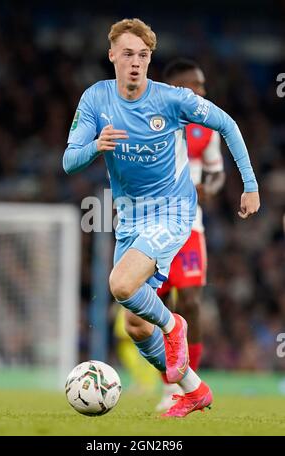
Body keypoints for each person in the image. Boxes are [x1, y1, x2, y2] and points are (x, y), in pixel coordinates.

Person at [63, 18, 260, 418]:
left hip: (173, 209)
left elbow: (227, 123)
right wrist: (95, 146)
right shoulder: (95, 99)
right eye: (128, 54)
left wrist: (250, 184)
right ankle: (193, 390)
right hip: (129, 216)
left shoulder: (171, 99)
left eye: (144, 55)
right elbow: (69, 160)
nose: (135, 62)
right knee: (135, 325)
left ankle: (174, 327)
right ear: (112, 55)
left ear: (149, 59)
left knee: (120, 284)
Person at [156, 58, 226, 411]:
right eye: (195, 86)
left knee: (191, 303)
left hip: (189, 229)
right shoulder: (151, 123)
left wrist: (210, 188)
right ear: (174, 88)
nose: (202, 92)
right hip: (151, 227)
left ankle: (188, 385)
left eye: (203, 86)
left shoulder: (207, 127)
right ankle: (168, 383)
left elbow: (216, 173)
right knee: (150, 312)